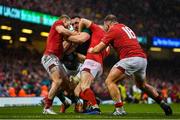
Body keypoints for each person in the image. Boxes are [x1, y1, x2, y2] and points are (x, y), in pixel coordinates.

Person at [88, 14, 172, 116]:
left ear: (108, 23)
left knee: (109, 81)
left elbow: (98, 49)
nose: (105, 28)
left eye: (105, 26)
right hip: (142, 59)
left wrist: (91, 49)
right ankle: (162, 102)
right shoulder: (125, 27)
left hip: (130, 58)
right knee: (142, 85)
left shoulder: (113, 29)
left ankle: (119, 109)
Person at [67, 18, 109, 114]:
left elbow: (83, 20)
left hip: (91, 61)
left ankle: (95, 108)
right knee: (77, 92)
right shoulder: (107, 42)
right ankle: (93, 100)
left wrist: (79, 33)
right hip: (98, 65)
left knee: (85, 87)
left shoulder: (97, 29)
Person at [41, 14, 76, 114]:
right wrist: (75, 33)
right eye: (69, 24)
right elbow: (62, 30)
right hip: (49, 57)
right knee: (57, 81)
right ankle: (47, 107)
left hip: (55, 59)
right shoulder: (58, 23)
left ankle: (64, 100)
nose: (70, 26)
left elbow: (66, 46)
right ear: (65, 20)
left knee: (66, 83)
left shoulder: (61, 37)